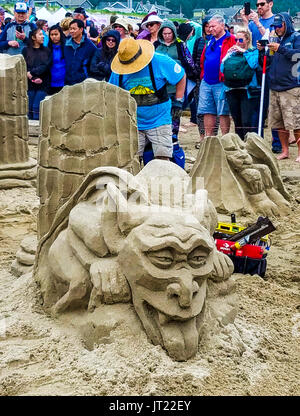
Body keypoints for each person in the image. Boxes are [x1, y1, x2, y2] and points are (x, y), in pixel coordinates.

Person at [109, 38, 186, 164]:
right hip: (133, 122)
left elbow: (181, 76)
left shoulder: (160, 61)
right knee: (131, 160)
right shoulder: (119, 71)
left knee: (163, 158)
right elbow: (112, 92)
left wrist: (178, 101)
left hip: (159, 119)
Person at [241, 0, 281, 152]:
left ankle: (276, 142)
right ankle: (257, 139)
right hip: (257, 64)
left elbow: (273, 39)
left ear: (270, 4)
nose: (259, 7)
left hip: (272, 64)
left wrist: (257, 23)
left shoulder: (276, 20)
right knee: (257, 105)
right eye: (257, 5)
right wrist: (246, 23)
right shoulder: (252, 23)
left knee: (274, 105)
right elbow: (247, 41)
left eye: (262, 4)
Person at [262, 13, 300, 162]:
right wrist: (263, 49)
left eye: (279, 26)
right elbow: (270, 59)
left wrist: (280, 48)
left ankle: (299, 153)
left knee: (296, 122)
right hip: (275, 86)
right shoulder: (276, 38)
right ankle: (285, 151)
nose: (277, 29)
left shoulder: (296, 37)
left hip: (291, 86)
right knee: (279, 123)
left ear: (286, 24)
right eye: (275, 26)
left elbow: (297, 55)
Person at [156, 20, 196, 143]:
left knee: (175, 112)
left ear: (173, 33)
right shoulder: (156, 45)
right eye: (164, 33)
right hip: (160, 86)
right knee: (161, 113)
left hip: (176, 85)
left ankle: (174, 138)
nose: (167, 36)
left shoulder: (180, 45)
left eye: (169, 33)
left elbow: (189, 62)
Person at [197, 15, 236, 137]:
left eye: (213, 26)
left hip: (222, 81)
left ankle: (225, 138)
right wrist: (203, 75)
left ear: (222, 25)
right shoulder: (209, 40)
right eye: (209, 26)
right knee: (207, 111)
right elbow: (204, 59)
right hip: (207, 81)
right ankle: (209, 138)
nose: (210, 29)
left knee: (223, 112)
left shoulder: (231, 39)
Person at [221, 27, 260, 140]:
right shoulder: (232, 53)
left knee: (246, 120)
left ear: (247, 39)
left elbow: (253, 64)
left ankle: (249, 145)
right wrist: (227, 55)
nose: (237, 42)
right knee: (237, 120)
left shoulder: (253, 52)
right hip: (232, 89)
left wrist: (245, 52)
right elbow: (222, 68)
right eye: (236, 40)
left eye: (241, 40)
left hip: (247, 90)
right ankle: (240, 146)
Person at [22, 28, 51, 119]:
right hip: (30, 83)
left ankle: (39, 132)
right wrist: (32, 77)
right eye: (40, 34)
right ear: (33, 37)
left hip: (43, 82)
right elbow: (24, 65)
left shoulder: (47, 50)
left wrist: (32, 73)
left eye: (43, 34)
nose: (43, 36)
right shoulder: (25, 50)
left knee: (36, 107)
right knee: (28, 107)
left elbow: (45, 66)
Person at [64, 19, 96, 86]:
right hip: (66, 82)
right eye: (70, 29)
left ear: (81, 29)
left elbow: (93, 66)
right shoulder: (65, 44)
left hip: (82, 83)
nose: (71, 31)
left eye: (74, 29)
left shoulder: (90, 46)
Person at [48, 24, 66, 95]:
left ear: (60, 34)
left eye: (56, 34)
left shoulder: (66, 48)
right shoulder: (47, 49)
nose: (54, 37)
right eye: (51, 35)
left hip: (64, 82)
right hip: (51, 82)